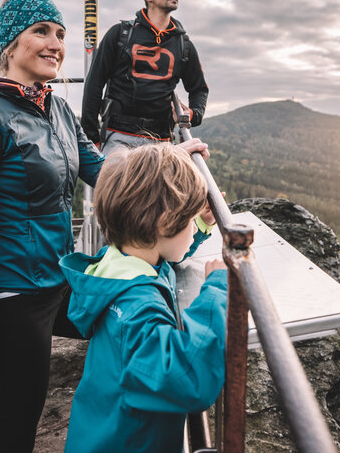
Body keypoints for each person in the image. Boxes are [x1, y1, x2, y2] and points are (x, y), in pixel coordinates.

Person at [59, 144, 228, 453]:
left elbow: (166, 255)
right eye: (189, 219)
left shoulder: (117, 263)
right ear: (164, 223)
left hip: (103, 430)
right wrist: (217, 288)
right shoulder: (136, 310)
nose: (192, 227)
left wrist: (201, 224)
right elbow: (191, 378)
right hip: (129, 442)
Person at [81, 0, 209, 153]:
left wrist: (193, 115)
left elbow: (199, 89)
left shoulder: (183, 44)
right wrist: (92, 138)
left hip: (161, 141)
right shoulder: (120, 34)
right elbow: (94, 83)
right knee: (117, 183)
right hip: (117, 137)